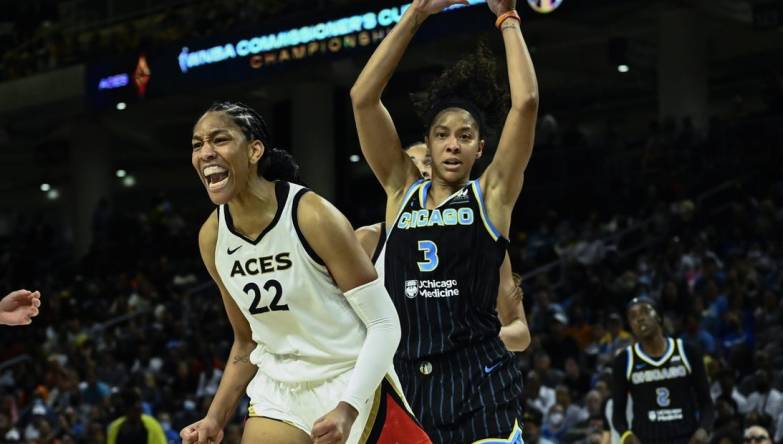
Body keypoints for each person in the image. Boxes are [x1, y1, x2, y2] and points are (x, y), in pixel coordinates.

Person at [181, 101, 430, 444]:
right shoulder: (212, 237)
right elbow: (247, 340)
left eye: (219, 140)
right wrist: (214, 418)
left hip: (349, 379)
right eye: (197, 144)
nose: (206, 152)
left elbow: (385, 324)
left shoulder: (311, 215)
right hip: (279, 388)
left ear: (254, 150)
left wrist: (348, 407)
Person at [350, 0, 538, 440]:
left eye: (465, 136)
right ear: (428, 148)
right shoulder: (401, 193)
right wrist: (416, 13)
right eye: (442, 134)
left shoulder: (490, 197)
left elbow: (525, 103)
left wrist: (507, 18)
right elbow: (362, 98)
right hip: (408, 380)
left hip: (481, 379)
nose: (453, 145)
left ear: (480, 150)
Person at [355, 146, 530, 354]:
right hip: (390, 373)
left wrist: (474, 337)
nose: (422, 169)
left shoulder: (482, 238)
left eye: (428, 162)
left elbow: (521, 335)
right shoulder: (368, 240)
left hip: (464, 374)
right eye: (412, 163)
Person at [612, 297, 713, 444]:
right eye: (632, 316)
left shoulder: (687, 351)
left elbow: (706, 402)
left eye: (645, 312)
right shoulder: (624, 360)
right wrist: (626, 435)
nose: (639, 318)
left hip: (685, 438)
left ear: (659, 316)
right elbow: (618, 413)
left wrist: (704, 429)